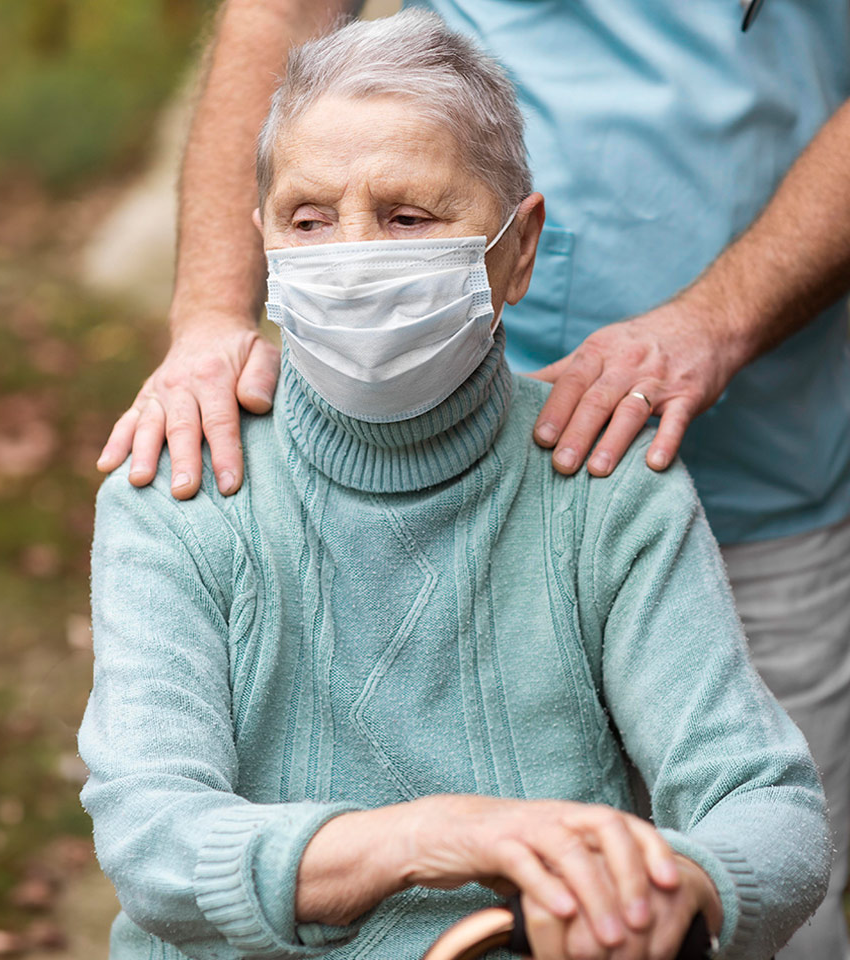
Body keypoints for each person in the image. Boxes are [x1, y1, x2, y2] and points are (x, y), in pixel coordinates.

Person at [94, 2, 850, 955]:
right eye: (309, 219)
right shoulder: (184, 480)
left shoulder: (606, 493)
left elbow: (765, 807)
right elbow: (151, 838)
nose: (358, 263)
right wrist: (434, 835)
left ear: (517, 250)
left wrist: (677, 887)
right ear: (264, 238)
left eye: (409, 217)